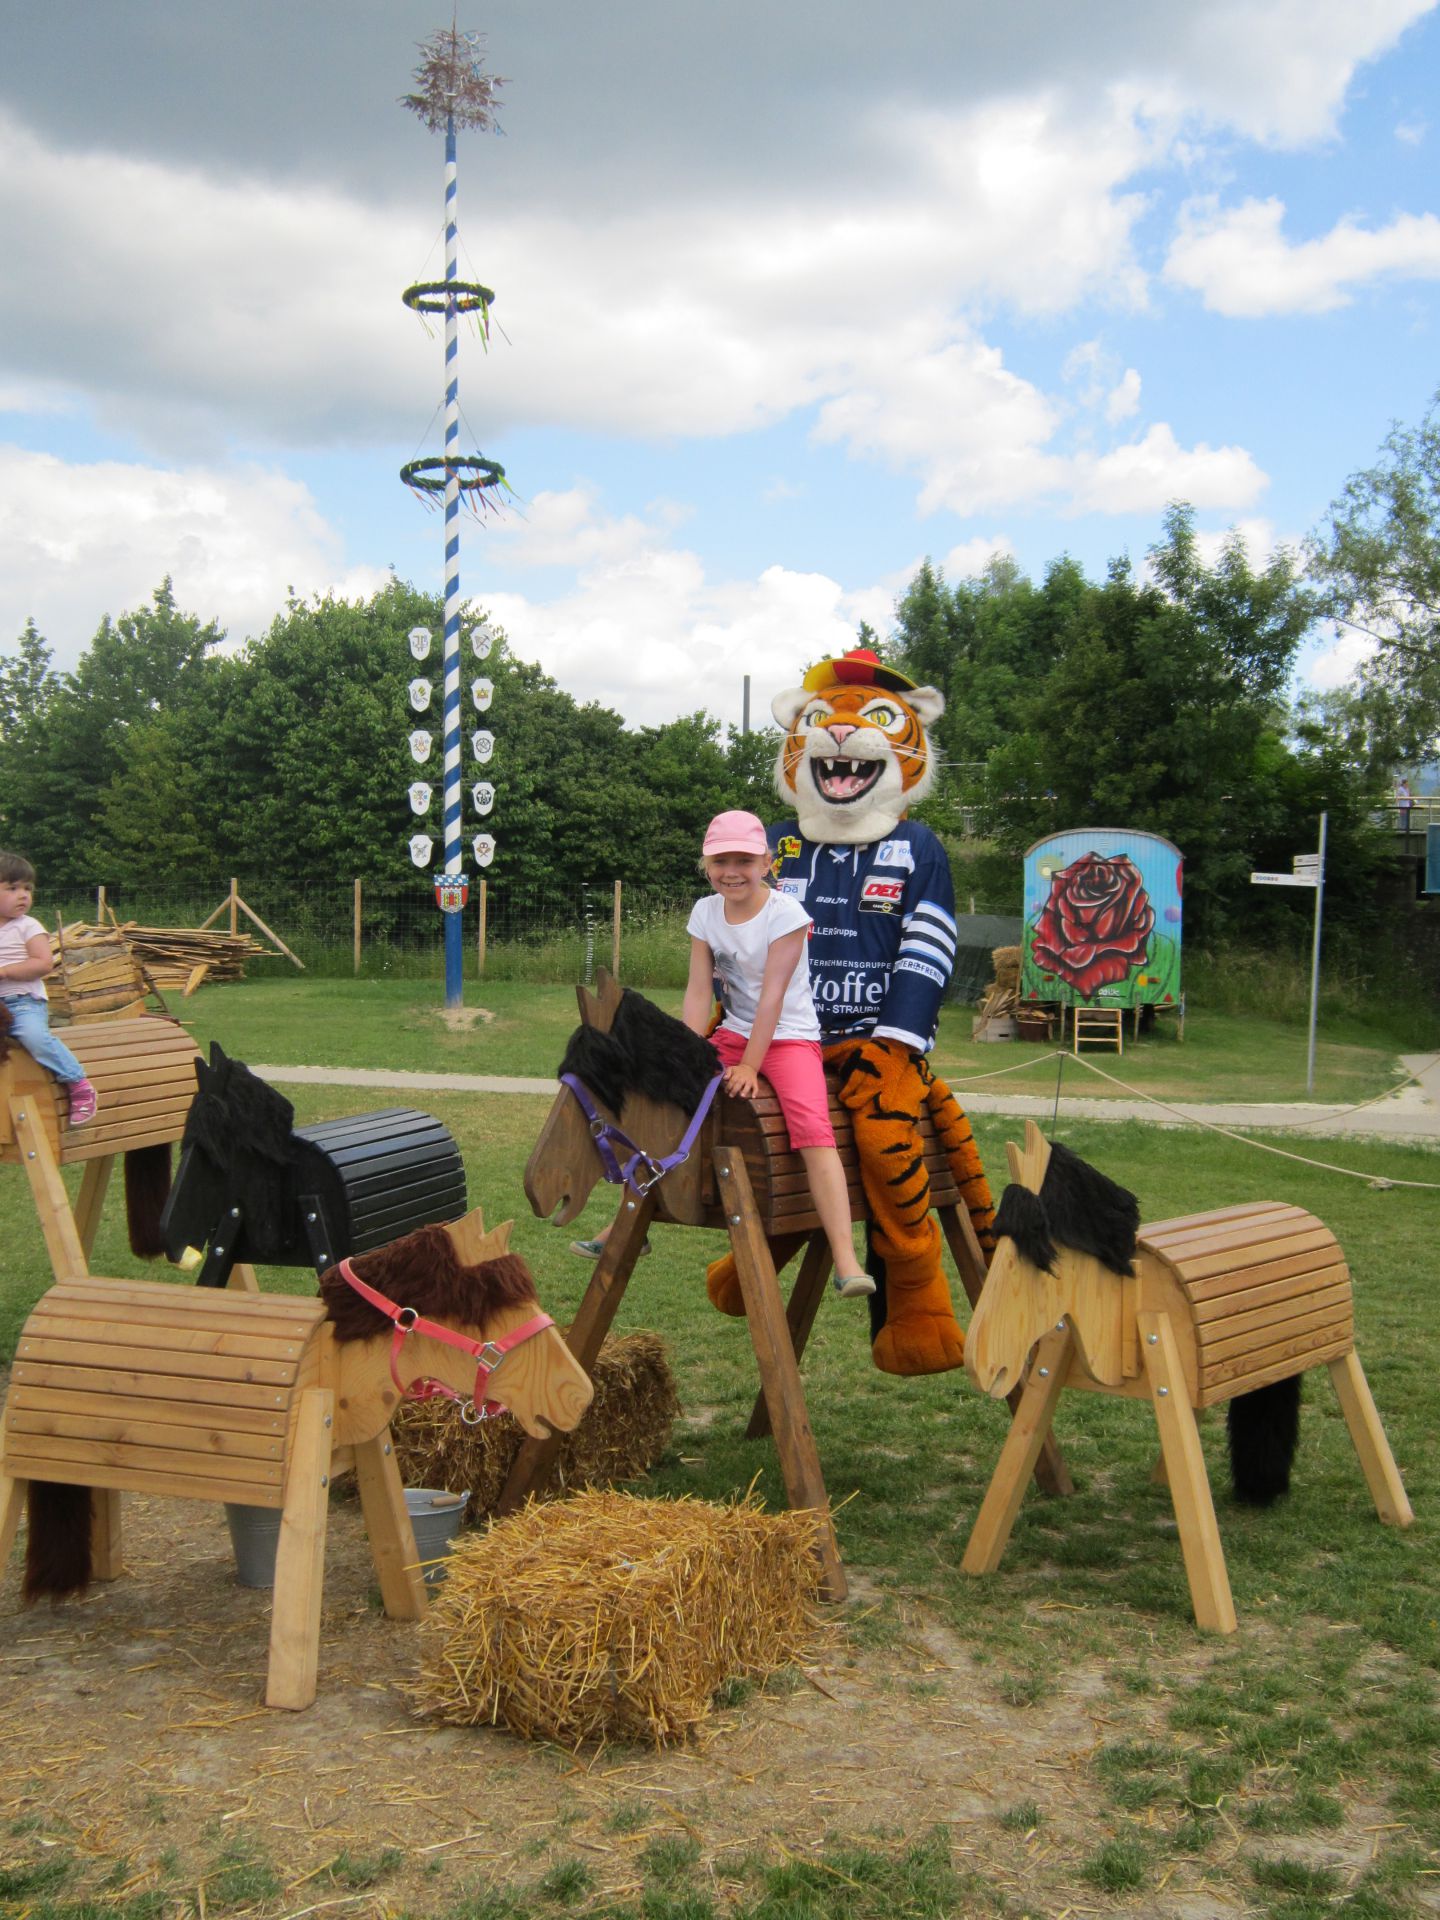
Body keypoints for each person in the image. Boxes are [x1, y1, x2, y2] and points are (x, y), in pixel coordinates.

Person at [683, 808, 873, 1298]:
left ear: (767, 863)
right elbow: (699, 989)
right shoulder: (705, 912)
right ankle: (626, 1219)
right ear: (706, 865)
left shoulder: (785, 913)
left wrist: (750, 1065)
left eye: (744, 860)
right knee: (668, 1100)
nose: (732, 871)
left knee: (813, 1130)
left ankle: (847, 1261)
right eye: (721, 861)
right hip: (734, 1031)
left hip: (789, 1035)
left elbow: (772, 995)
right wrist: (684, 1052)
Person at [0, 853, 97, 1125]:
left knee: (33, 1036)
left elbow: (43, 963)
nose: (23, 895)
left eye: (28, 888)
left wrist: (5, 971)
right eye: (12, 888)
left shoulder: (28, 926)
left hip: (22, 1002)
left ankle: (78, 1083)